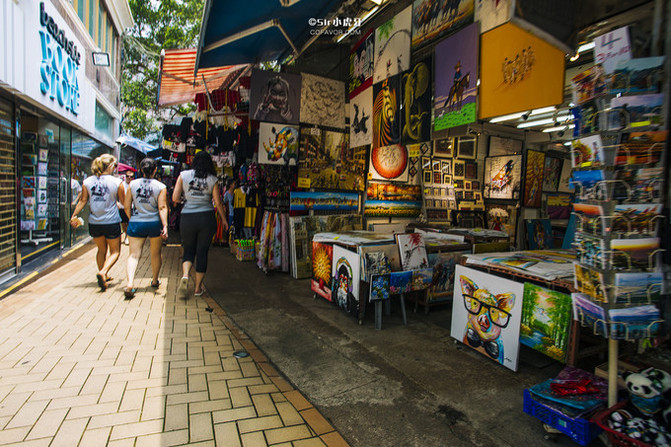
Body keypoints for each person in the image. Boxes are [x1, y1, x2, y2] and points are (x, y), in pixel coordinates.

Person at [172, 151, 228, 297]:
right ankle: (197, 288)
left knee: (189, 250)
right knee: (202, 252)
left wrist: (187, 200)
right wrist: (224, 220)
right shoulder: (213, 179)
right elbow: (218, 202)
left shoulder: (184, 175)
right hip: (206, 218)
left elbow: (175, 198)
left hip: (188, 218)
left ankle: (185, 275)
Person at [70, 154, 125, 291]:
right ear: (111, 166)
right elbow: (124, 203)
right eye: (115, 165)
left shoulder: (87, 181)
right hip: (111, 222)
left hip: (94, 222)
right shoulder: (117, 182)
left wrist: (74, 215)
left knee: (101, 249)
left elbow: (82, 201)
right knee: (115, 252)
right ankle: (103, 272)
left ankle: (104, 276)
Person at [123, 158, 168, 299]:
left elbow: (126, 205)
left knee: (133, 255)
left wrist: (132, 219)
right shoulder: (160, 186)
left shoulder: (132, 184)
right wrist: (165, 225)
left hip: (136, 222)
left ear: (141, 170)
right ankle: (154, 280)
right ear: (155, 170)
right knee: (155, 254)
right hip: (154, 223)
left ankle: (130, 283)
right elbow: (162, 207)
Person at [118, 171, 133, 244]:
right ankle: (126, 234)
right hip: (121, 207)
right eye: (127, 176)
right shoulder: (121, 185)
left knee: (129, 222)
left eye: (131, 176)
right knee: (123, 223)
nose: (129, 178)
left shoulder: (133, 185)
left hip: (131, 207)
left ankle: (127, 237)